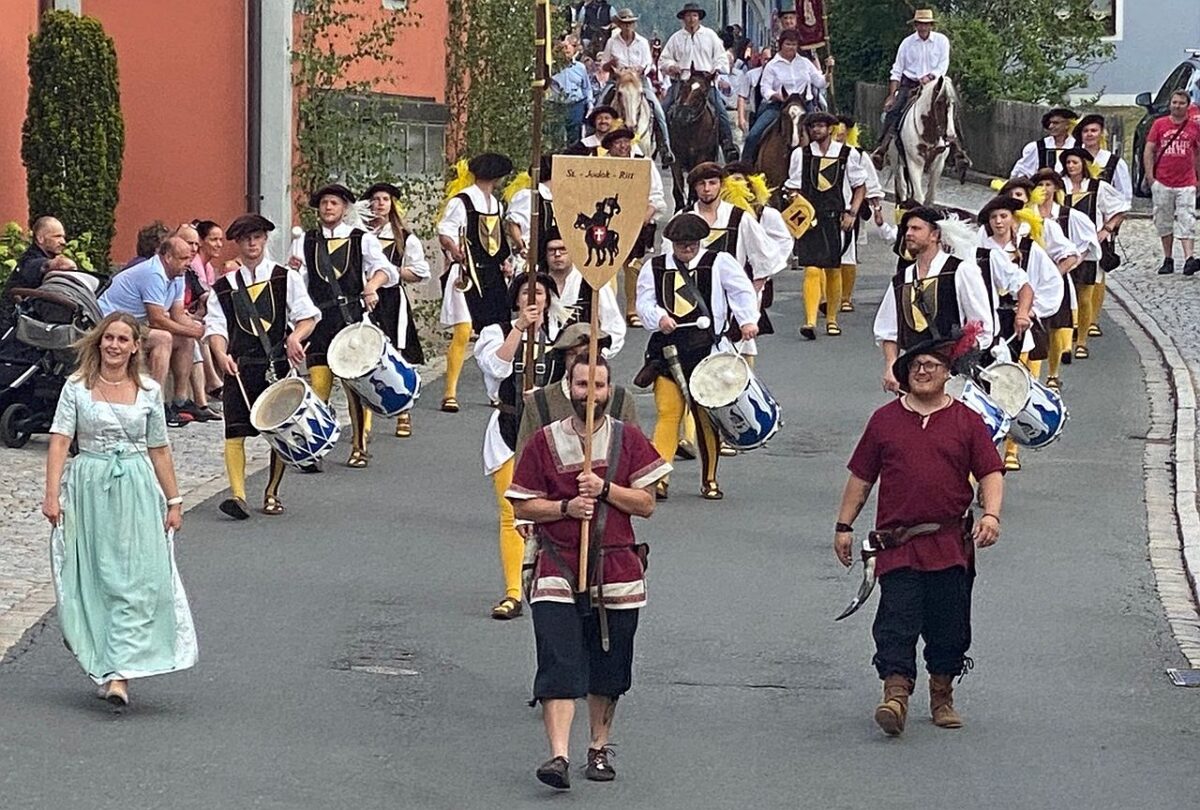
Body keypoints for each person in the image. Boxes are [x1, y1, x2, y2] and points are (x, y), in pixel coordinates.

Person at [508, 353, 669, 790]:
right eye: (582, 386)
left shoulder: (628, 439)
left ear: (608, 390)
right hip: (557, 565)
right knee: (558, 662)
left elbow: (647, 503)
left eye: (598, 387)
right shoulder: (544, 440)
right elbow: (522, 503)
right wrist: (564, 507)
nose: (590, 395)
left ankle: (598, 747)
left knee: (608, 667)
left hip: (616, 566)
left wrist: (604, 491)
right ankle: (558, 755)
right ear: (569, 388)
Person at [834, 329, 1004, 737]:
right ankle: (895, 695)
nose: (922, 371)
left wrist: (992, 515)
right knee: (897, 618)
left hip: (949, 544)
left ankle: (942, 693)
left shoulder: (967, 421)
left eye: (931, 366)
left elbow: (990, 472)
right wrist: (844, 525)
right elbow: (861, 477)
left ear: (948, 373)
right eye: (915, 366)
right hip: (898, 544)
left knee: (949, 625)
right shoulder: (884, 421)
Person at [42, 312, 198, 707]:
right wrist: (52, 494)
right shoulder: (76, 387)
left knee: (134, 580)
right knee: (97, 579)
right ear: (99, 342)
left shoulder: (147, 390)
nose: (113, 345)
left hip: (136, 489)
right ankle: (106, 660)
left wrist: (174, 500)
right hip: (89, 488)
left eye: (122, 339)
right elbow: (61, 440)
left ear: (134, 348)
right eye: (108, 338)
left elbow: (159, 448)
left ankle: (120, 673)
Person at [636, 213, 759, 500]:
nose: (687, 248)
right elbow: (644, 302)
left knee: (705, 419)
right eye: (681, 244)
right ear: (672, 243)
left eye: (691, 243)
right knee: (668, 414)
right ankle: (660, 477)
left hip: (708, 354)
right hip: (667, 352)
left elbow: (741, 293)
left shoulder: (719, 263)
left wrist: (747, 320)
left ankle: (710, 479)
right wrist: (658, 317)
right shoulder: (654, 267)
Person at [208, 214, 321, 519]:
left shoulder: (285, 278)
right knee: (234, 432)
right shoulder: (223, 287)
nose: (252, 243)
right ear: (238, 243)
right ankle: (238, 496)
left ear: (265, 239)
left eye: (257, 237)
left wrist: (296, 338)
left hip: (275, 365)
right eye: (245, 238)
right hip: (240, 367)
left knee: (279, 431)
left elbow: (307, 316)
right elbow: (215, 329)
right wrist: (221, 355)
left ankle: (272, 492)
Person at [475, 272, 566, 620]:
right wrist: (518, 329)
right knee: (512, 513)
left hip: (551, 431)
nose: (533, 298)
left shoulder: (559, 334)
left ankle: (553, 582)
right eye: (527, 292)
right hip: (508, 428)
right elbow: (495, 366)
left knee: (553, 512)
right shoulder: (496, 331)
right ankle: (513, 591)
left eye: (540, 292)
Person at [289, 183, 397, 468]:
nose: (328, 208)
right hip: (320, 322)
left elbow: (387, 270)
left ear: (344, 208)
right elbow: (298, 284)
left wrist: (372, 286)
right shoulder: (305, 241)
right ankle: (314, 448)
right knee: (319, 387)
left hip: (350, 320)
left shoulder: (361, 239)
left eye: (334, 203)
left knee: (354, 387)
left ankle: (359, 446)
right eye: (324, 203)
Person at [977, 195, 1060, 471]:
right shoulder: (981, 250)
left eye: (1003, 216)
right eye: (993, 218)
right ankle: (986, 454)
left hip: (1017, 324)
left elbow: (1047, 282)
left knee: (1016, 386)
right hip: (990, 322)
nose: (999, 222)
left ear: (1014, 219)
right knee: (988, 388)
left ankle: (1012, 448)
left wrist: (1030, 311)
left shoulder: (1028, 248)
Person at [666, 162, 780, 362]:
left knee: (739, 355)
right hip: (692, 298)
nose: (707, 189)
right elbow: (667, 262)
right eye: (702, 184)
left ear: (721, 185)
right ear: (694, 187)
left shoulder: (739, 218)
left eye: (712, 183)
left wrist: (751, 293)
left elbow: (765, 257)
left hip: (731, 300)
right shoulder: (682, 218)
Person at [873, 207, 994, 393]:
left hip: (951, 377)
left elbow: (982, 326)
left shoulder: (960, 271)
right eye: (907, 229)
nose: (908, 234)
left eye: (916, 229)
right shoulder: (900, 280)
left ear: (935, 235)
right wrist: (891, 367)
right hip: (913, 374)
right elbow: (889, 330)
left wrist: (960, 359)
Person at [98, 236, 208, 428]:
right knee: (163, 338)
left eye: (189, 259)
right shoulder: (154, 273)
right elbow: (157, 318)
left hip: (133, 322)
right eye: (183, 259)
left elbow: (177, 314)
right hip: (111, 322)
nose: (188, 264)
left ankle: (181, 401)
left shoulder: (178, 275)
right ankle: (155, 404)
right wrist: (194, 331)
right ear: (167, 257)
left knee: (185, 339)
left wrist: (199, 330)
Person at [437, 152, 516, 413]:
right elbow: (446, 231)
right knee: (463, 330)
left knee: (494, 332)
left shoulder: (496, 203)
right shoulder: (462, 201)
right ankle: (450, 392)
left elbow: (497, 239)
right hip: (467, 274)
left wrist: (506, 261)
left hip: (491, 274)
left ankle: (495, 392)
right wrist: (454, 250)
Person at [786, 111, 868, 339]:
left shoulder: (847, 154)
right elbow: (792, 187)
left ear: (830, 128)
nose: (816, 130)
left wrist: (852, 211)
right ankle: (810, 321)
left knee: (833, 268)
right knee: (812, 268)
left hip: (836, 217)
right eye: (812, 126)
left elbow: (860, 186)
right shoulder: (799, 155)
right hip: (810, 218)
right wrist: (796, 206)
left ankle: (832, 319)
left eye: (821, 126)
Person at [362, 181, 430, 438]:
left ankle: (403, 412)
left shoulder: (403, 237)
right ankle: (365, 418)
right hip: (364, 300)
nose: (379, 204)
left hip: (390, 300)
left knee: (396, 355)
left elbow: (420, 271)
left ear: (392, 205)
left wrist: (390, 272)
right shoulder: (359, 235)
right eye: (375, 199)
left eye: (384, 199)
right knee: (365, 357)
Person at [517, 323, 637, 455]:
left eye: (587, 353)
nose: (580, 359)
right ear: (564, 358)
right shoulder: (540, 402)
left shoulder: (621, 399)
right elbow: (525, 461)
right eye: (572, 354)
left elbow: (638, 455)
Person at [1060, 147, 1128, 359]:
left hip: (1089, 250)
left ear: (1084, 165)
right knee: (1064, 296)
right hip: (1064, 248)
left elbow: (1121, 208)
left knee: (1085, 295)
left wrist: (1106, 229)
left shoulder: (1099, 188)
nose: (1071, 166)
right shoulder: (1060, 187)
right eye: (1069, 163)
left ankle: (1082, 340)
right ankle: (1065, 340)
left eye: (1075, 162)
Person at [1030, 168, 1095, 389]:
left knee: (1056, 327)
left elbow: (1084, 247)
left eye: (1049, 185)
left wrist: (1058, 273)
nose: (1044, 190)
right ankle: (1031, 378)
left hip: (1056, 279)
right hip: (1029, 282)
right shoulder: (1026, 218)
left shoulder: (1067, 216)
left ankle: (1053, 373)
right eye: (1040, 185)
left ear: (1056, 187)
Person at [601, 128, 667, 326]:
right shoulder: (601, 166)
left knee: (633, 267)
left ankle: (632, 310)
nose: (622, 146)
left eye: (625, 142)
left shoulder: (644, 164)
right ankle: (607, 312)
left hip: (637, 223)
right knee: (605, 266)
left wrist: (642, 219)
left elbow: (656, 197)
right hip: (608, 224)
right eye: (617, 143)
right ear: (610, 147)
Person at [659, 2, 739, 162]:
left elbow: (721, 57)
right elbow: (663, 60)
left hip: (704, 83)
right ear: (683, 18)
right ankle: (664, 146)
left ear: (699, 18)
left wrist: (715, 69)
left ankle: (728, 145)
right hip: (682, 83)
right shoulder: (676, 38)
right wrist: (671, 66)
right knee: (664, 109)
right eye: (688, 15)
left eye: (694, 15)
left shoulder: (710, 36)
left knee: (721, 112)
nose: (691, 19)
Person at [871, 9, 951, 167]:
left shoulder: (942, 41)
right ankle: (883, 147)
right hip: (911, 84)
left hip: (935, 84)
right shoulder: (906, 43)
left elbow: (943, 64)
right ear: (915, 25)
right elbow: (897, 70)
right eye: (920, 24)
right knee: (894, 111)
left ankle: (956, 147)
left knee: (949, 107)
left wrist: (930, 76)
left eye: (926, 24)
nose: (923, 27)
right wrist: (892, 95)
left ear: (931, 25)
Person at [597, 8, 675, 165]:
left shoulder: (642, 42)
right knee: (599, 105)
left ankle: (664, 146)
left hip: (639, 81)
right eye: (624, 24)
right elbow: (604, 66)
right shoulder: (612, 42)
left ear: (634, 25)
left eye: (630, 24)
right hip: (618, 81)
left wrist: (641, 69)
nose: (627, 27)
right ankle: (592, 142)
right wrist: (611, 65)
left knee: (658, 110)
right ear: (619, 25)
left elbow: (649, 64)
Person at [741, 30, 830, 164]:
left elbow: (820, 82)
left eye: (794, 44)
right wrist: (776, 96)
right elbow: (765, 89)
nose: (791, 47)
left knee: (824, 133)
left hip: (805, 105)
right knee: (753, 135)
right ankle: (746, 167)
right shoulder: (772, 65)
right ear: (781, 44)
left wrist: (829, 72)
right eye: (788, 44)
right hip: (779, 106)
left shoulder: (805, 63)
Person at [541, 225, 626, 356]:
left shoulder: (592, 283)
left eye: (562, 249)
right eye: (552, 250)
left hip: (581, 361)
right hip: (542, 360)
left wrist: (599, 355)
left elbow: (614, 325)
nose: (557, 254)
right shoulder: (537, 283)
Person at [1143, 89, 1200, 276]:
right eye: (1174, 102)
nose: (1177, 106)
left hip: (1186, 181)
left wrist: (1198, 178)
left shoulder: (1194, 127)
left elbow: (1197, 153)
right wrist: (1151, 177)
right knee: (1163, 220)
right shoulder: (1159, 125)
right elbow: (1149, 149)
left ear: (1187, 105)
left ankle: (1189, 258)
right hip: (1163, 180)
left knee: (1187, 218)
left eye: (1181, 103)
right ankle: (1168, 258)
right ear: (1170, 104)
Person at [833, 116, 884, 312]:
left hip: (849, 212)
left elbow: (869, 184)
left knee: (848, 254)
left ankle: (846, 297)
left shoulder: (858, 155)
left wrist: (877, 210)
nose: (838, 136)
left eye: (842, 133)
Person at [0, 216, 76, 333]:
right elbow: (57, 265)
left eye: (63, 237)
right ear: (40, 238)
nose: (63, 242)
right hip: (11, 328)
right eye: (57, 237)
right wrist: (70, 266)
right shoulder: (31, 262)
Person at [1009, 107, 1078, 178]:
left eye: (1056, 123)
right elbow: (1021, 171)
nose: (1051, 126)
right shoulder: (1037, 147)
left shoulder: (1077, 146)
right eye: (1050, 123)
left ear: (1067, 125)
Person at [551, 35, 594, 145]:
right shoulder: (551, 68)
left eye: (569, 47)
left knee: (575, 136)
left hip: (576, 104)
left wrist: (590, 104)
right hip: (557, 105)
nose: (566, 50)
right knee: (556, 135)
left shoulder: (580, 67)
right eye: (564, 47)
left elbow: (586, 87)